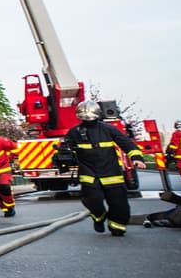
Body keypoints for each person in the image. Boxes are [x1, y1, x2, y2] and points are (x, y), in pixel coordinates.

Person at [56, 100, 146, 236]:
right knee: (92, 200)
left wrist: (137, 158)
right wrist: (64, 156)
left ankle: (117, 226)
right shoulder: (74, 132)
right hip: (89, 172)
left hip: (111, 171)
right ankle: (99, 217)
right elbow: (65, 148)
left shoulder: (108, 129)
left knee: (118, 203)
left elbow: (126, 143)